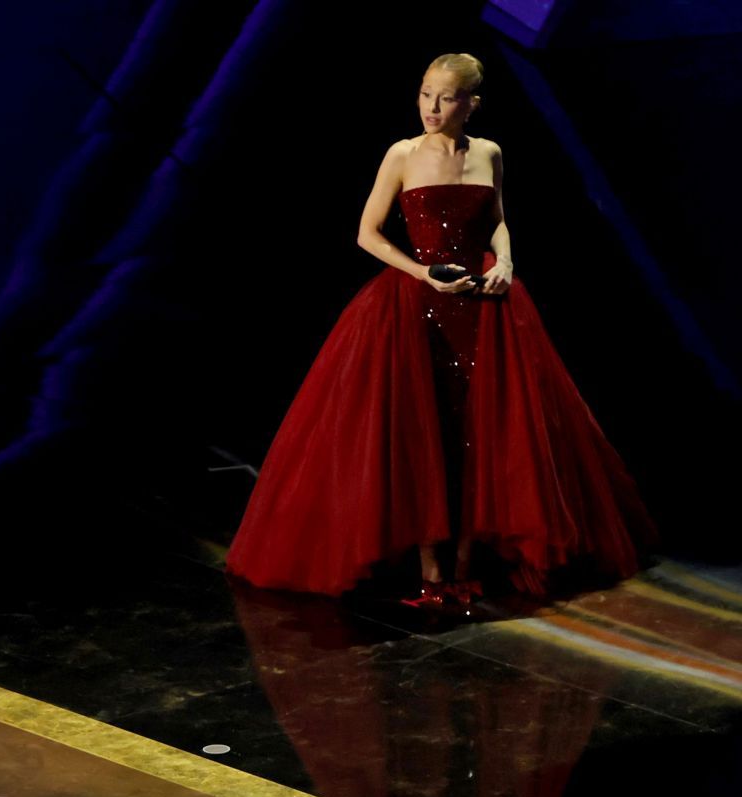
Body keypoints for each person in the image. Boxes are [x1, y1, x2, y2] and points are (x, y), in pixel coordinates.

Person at [224, 52, 653, 606]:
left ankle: (467, 569)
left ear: (472, 103)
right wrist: (422, 273)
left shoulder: (489, 153)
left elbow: (497, 220)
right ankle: (431, 574)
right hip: (414, 308)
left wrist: (505, 264)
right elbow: (367, 234)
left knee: (482, 432)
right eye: (426, 93)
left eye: (446, 97)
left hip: (484, 307)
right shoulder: (401, 154)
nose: (432, 107)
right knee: (421, 433)